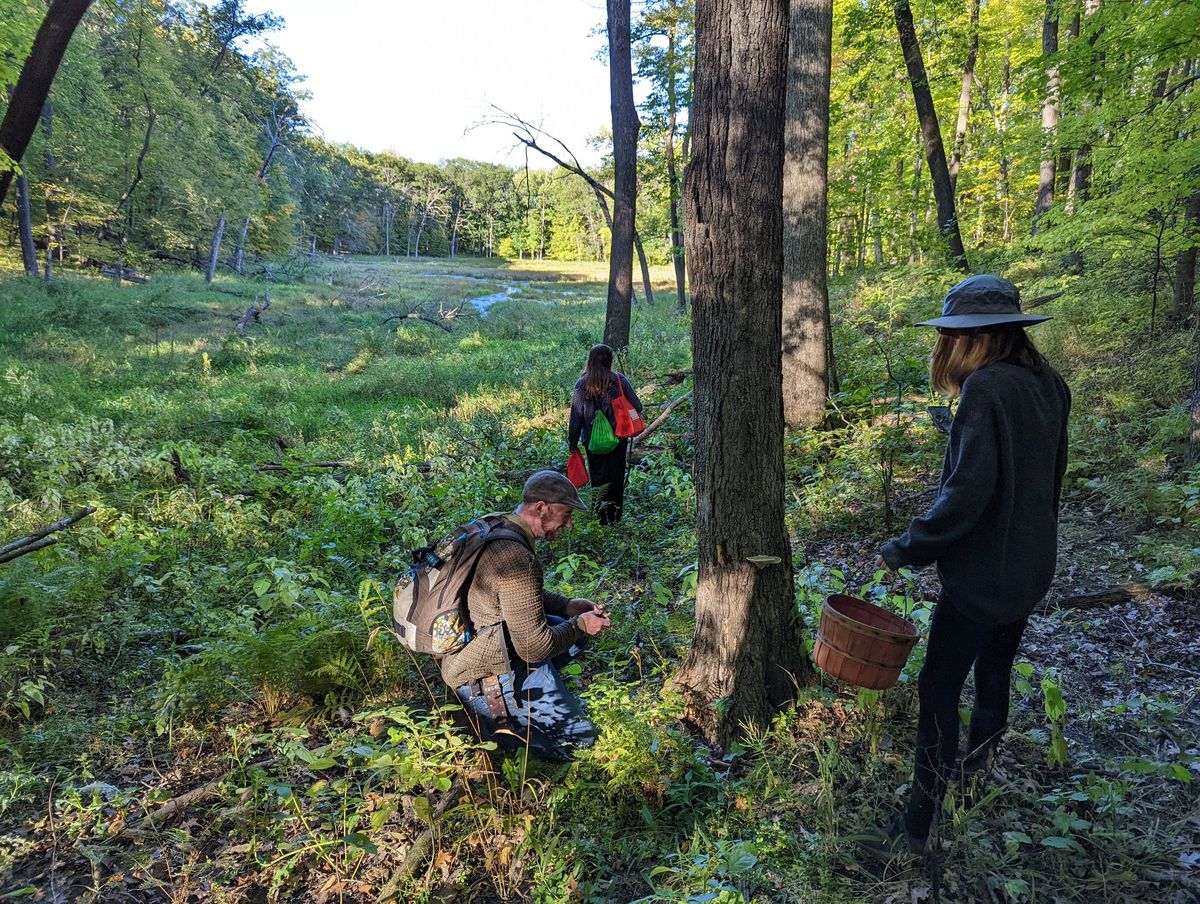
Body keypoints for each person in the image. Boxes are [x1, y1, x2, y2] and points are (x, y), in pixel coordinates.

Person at [859, 274, 1071, 860]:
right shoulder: (1049, 384)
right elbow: (1043, 478)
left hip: (983, 576)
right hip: (1030, 567)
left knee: (938, 687)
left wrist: (906, 547)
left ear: (973, 337)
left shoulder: (986, 388)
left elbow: (967, 494)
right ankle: (975, 775)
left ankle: (917, 831)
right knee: (994, 672)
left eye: (952, 336)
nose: (946, 348)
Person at [438, 470, 612, 761]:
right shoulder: (517, 556)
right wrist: (580, 624)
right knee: (585, 745)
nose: (569, 524)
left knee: (561, 627)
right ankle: (505, 721)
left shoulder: (497, 526)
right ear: (540, 507)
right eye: (566, 514)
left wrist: (566, 606)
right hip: (485, 670)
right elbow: (533, 648)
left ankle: (529, 706)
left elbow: (515, 594)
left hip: (467, 650)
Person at [568, 344, 644, 525]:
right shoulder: (619, 380)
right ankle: (616, 517)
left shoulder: (582, 384)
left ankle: (601, 519)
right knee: (616, 477)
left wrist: (572, 443)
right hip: (618, 438)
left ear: (590, 361)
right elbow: (638, 406)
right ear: (609, 360)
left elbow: (576, 417)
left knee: (598, 479)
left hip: (592, 442)